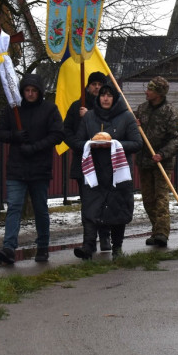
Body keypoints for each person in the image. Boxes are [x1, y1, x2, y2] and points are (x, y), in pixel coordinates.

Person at [0, 74, 64, 265]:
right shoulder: (13, 109)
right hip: (17, 166)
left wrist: (35, 147)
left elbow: (57, 134)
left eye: (34, 91)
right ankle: (9, 247)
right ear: (22, 91)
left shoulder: (49, 109)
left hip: (40, 167)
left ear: (39, 92)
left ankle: (42, 246)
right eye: (27, 90)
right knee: (14, 207)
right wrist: (14, 136)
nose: (30, 94)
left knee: (40, 208)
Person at [69, 82, 141, 258]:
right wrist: (90, 144)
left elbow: (137, 143)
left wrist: (114, 144)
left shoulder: (126, 117)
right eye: (102, 95)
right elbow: (77, 142)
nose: (105, 98)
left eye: (109, 95)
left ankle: (117, 248)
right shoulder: (89, 117)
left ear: (115, 98)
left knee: (117, 209)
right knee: (91, 207)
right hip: (93, 171)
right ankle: (88, 246)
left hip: (118, 172)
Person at [134, 76, 178, 249]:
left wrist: (162, 154)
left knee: (161, 197)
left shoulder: (171, 112)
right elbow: (134, 132)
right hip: (144, 161)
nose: (146, 91)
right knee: (148, 199)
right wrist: (135, 126)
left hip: (162, 162)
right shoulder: (141, 109)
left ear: (159, 93)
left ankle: (162, 232)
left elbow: (177, 138)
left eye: (151, 89)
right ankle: (155, 229)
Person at [63, 70, 109, 249]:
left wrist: (89, 116)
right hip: (84, 162)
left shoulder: (109, 107)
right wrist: (78, 145)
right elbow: (66, 130)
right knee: (88, 203)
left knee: (105, 202)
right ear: (88, 86)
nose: (97, 87)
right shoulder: (76, 107)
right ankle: (89, 240)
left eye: (100, 84)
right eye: (93, 84)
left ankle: (105, 236)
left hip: (105, 163)